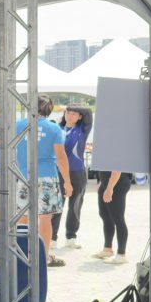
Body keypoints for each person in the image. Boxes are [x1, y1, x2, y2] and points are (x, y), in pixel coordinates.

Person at [15, 95, 72, 267]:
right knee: (45, 219)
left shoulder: (18, 125)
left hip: (23, 176)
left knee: (23, 218)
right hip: (47, 177)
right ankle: (44, 257)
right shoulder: (54, 128)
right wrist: (67, 182)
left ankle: (21, 255)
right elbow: (61, 157)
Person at [51, 104, 92, 249]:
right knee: (57, 205)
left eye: (74, 114)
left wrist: (68, 106)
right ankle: (52, 238)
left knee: (75, 205)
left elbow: (88, 112)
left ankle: (71, 237)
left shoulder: (83, 129)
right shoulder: (57, 129)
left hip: (77, 172)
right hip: (59, 172)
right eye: (68, 113)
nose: (70, 115)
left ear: (80, 117)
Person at [91, 171, 132, 264]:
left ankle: (121, 254)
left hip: (118, 183)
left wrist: (110, 188)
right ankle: (107, 249)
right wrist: (102, 183)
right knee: (105, 216)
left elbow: (117, 168)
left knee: (118, 218)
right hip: (106, 182)